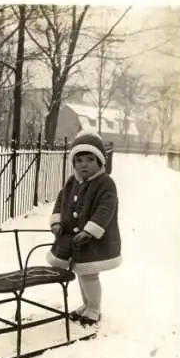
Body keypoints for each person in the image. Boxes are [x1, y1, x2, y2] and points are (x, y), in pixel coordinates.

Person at [46, 129, 122, 328]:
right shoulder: (72, 181)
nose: (84, 165)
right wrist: (56, 222)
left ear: (99, 161)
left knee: (89, 274)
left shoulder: (106, 183)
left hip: (93, 241)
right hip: (74, 241)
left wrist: (90, 230)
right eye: (79, 161)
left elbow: (106, 209)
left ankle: (94, 308)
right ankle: (86, 305)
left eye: (89, 159)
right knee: (81, 273)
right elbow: (61, 200)